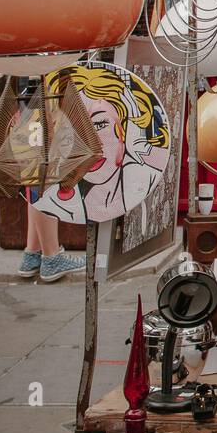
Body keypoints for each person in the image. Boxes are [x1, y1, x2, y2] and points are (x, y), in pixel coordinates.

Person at [19, 65, 171, 280]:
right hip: (43, 77)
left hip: (33, 76)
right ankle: (50, 255)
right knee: (42, 175)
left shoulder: (139, 175)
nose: (90, 141)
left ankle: (33, 252)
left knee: (39, 172)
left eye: (100, 124)